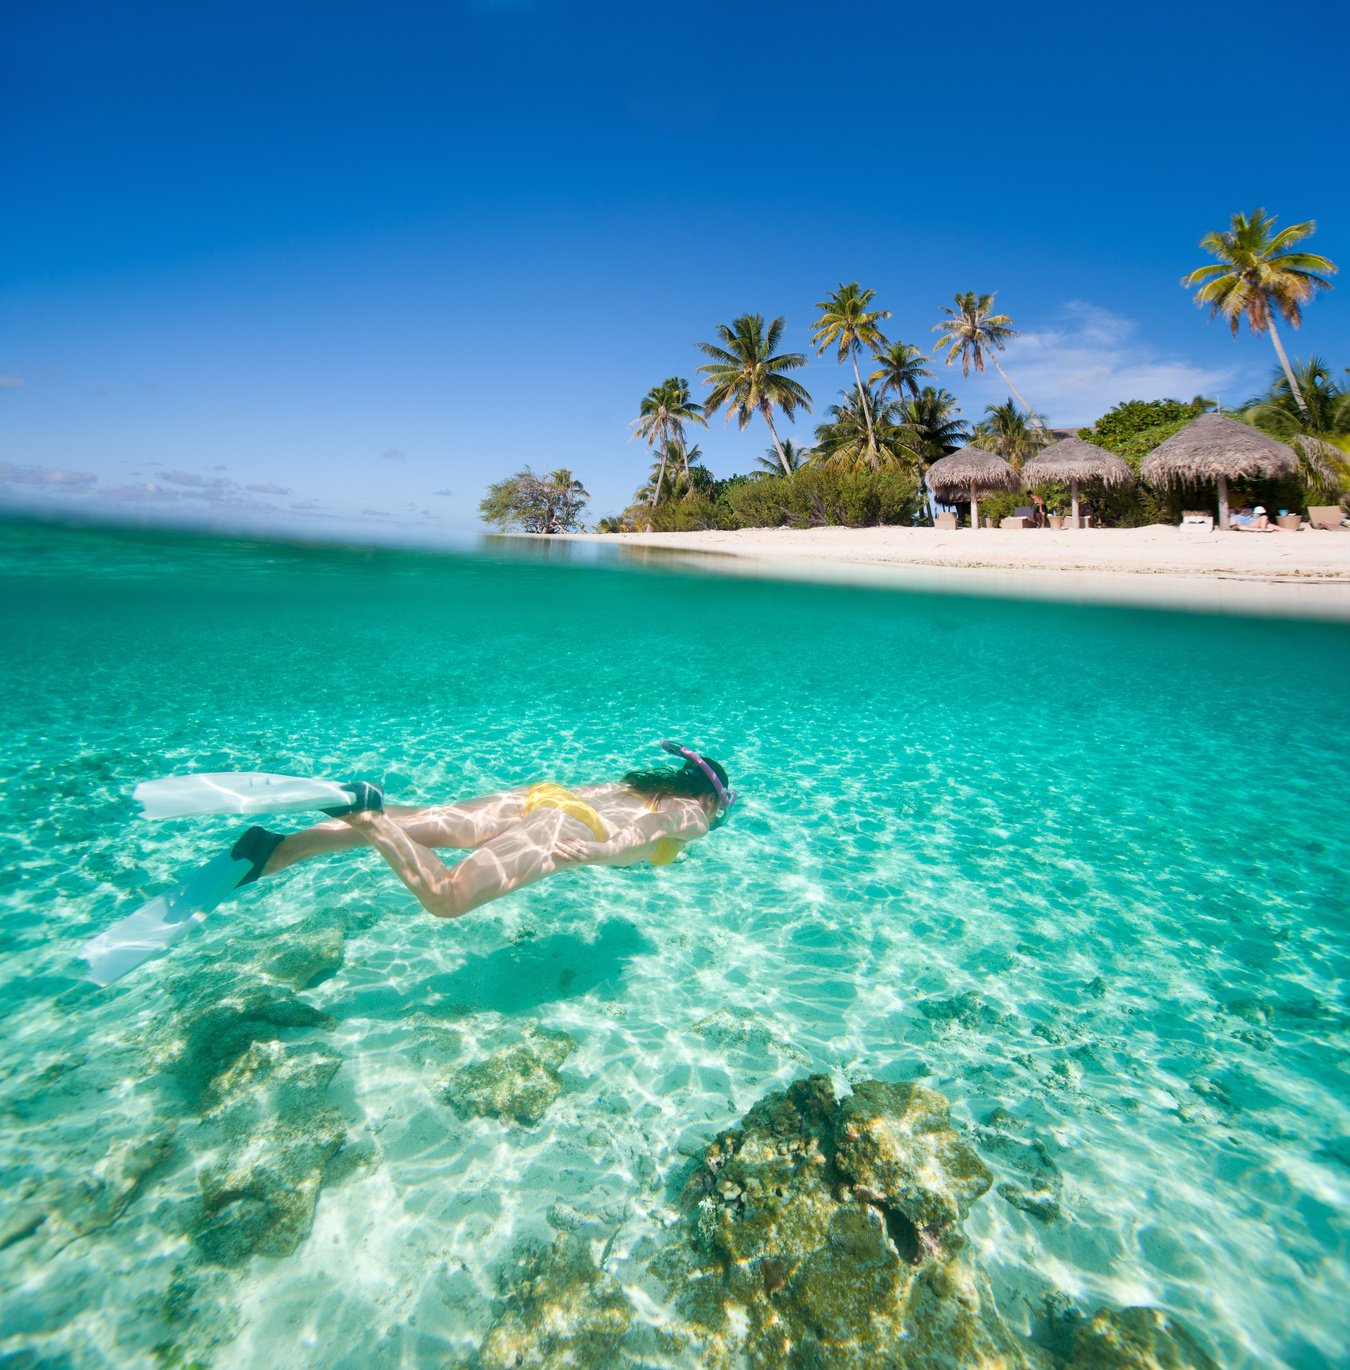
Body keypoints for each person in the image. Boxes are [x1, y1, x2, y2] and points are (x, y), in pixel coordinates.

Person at [232, 741, 736, 921]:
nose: (713, 817)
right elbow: (655, 826)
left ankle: (276, 852)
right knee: (447, 898)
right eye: (719, 809)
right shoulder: (696, 813)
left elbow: (638, 810)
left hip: (544, 796)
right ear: (711, 797)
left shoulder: (634, 783)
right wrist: (595, 853)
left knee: (423, 824)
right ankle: (367, 815)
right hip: (570, 824)